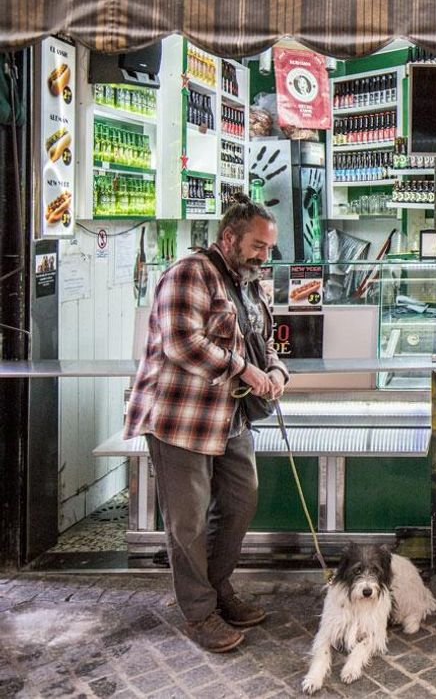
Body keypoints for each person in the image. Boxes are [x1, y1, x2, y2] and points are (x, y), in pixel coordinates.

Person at [123, 195, 288, 653]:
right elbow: (181, 343)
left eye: (269, 249)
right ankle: (198, 613)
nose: (263, 256)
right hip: (182, 418)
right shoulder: (189, 272)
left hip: (231, 418)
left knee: (240, 503)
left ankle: (217, 588)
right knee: (188, 522)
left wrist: (274, 372)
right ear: (229, 237)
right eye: (257, 246)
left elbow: (263, 342)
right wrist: (244, 370)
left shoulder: (250, 282)